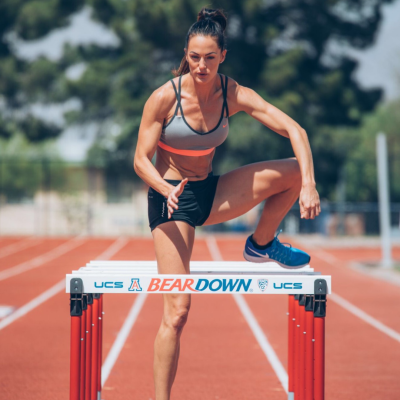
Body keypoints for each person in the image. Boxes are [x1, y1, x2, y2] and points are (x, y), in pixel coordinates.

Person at [134, 7, 321, 399]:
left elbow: (295, 129)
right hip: (170, 199)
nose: (201, 66)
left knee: (292, 171)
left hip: (211, 193)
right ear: (186, 53)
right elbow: (139, 159)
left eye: (210, 57)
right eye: (194, 57)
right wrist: (164, 188)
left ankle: (262, 243)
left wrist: (310, 184)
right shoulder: (164, 99)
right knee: (178, 310)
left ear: (223, 56)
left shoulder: (232, 93)